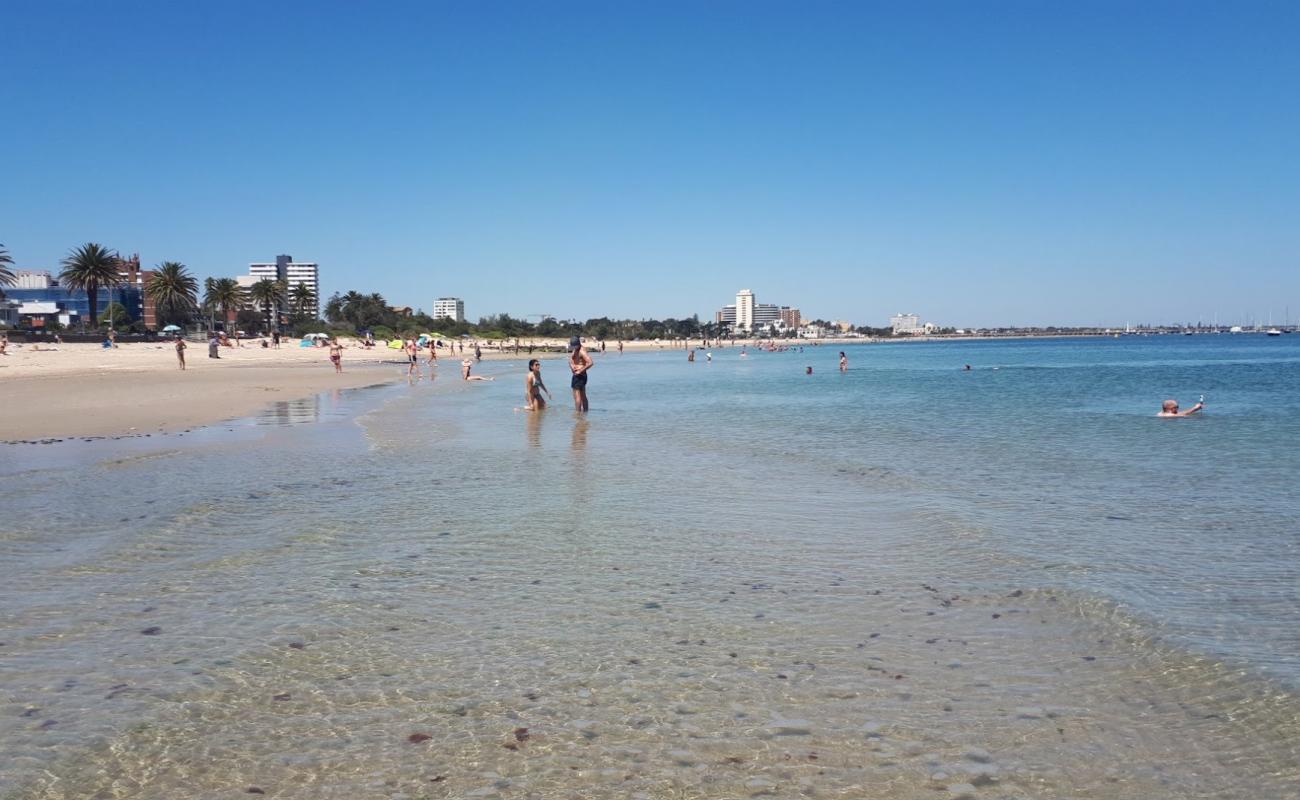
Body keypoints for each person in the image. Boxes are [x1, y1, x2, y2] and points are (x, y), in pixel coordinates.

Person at [569, 336, 593, 411]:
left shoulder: (582, 351)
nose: (574, 348)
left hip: (579, 375)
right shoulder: (576, 349)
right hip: (580, 375)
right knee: (583, 395)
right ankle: (585, 413)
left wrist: (580, 370)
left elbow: (590, 363)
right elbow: (570, 360)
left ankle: (578, 414)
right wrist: (572, 366)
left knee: (577, 397)